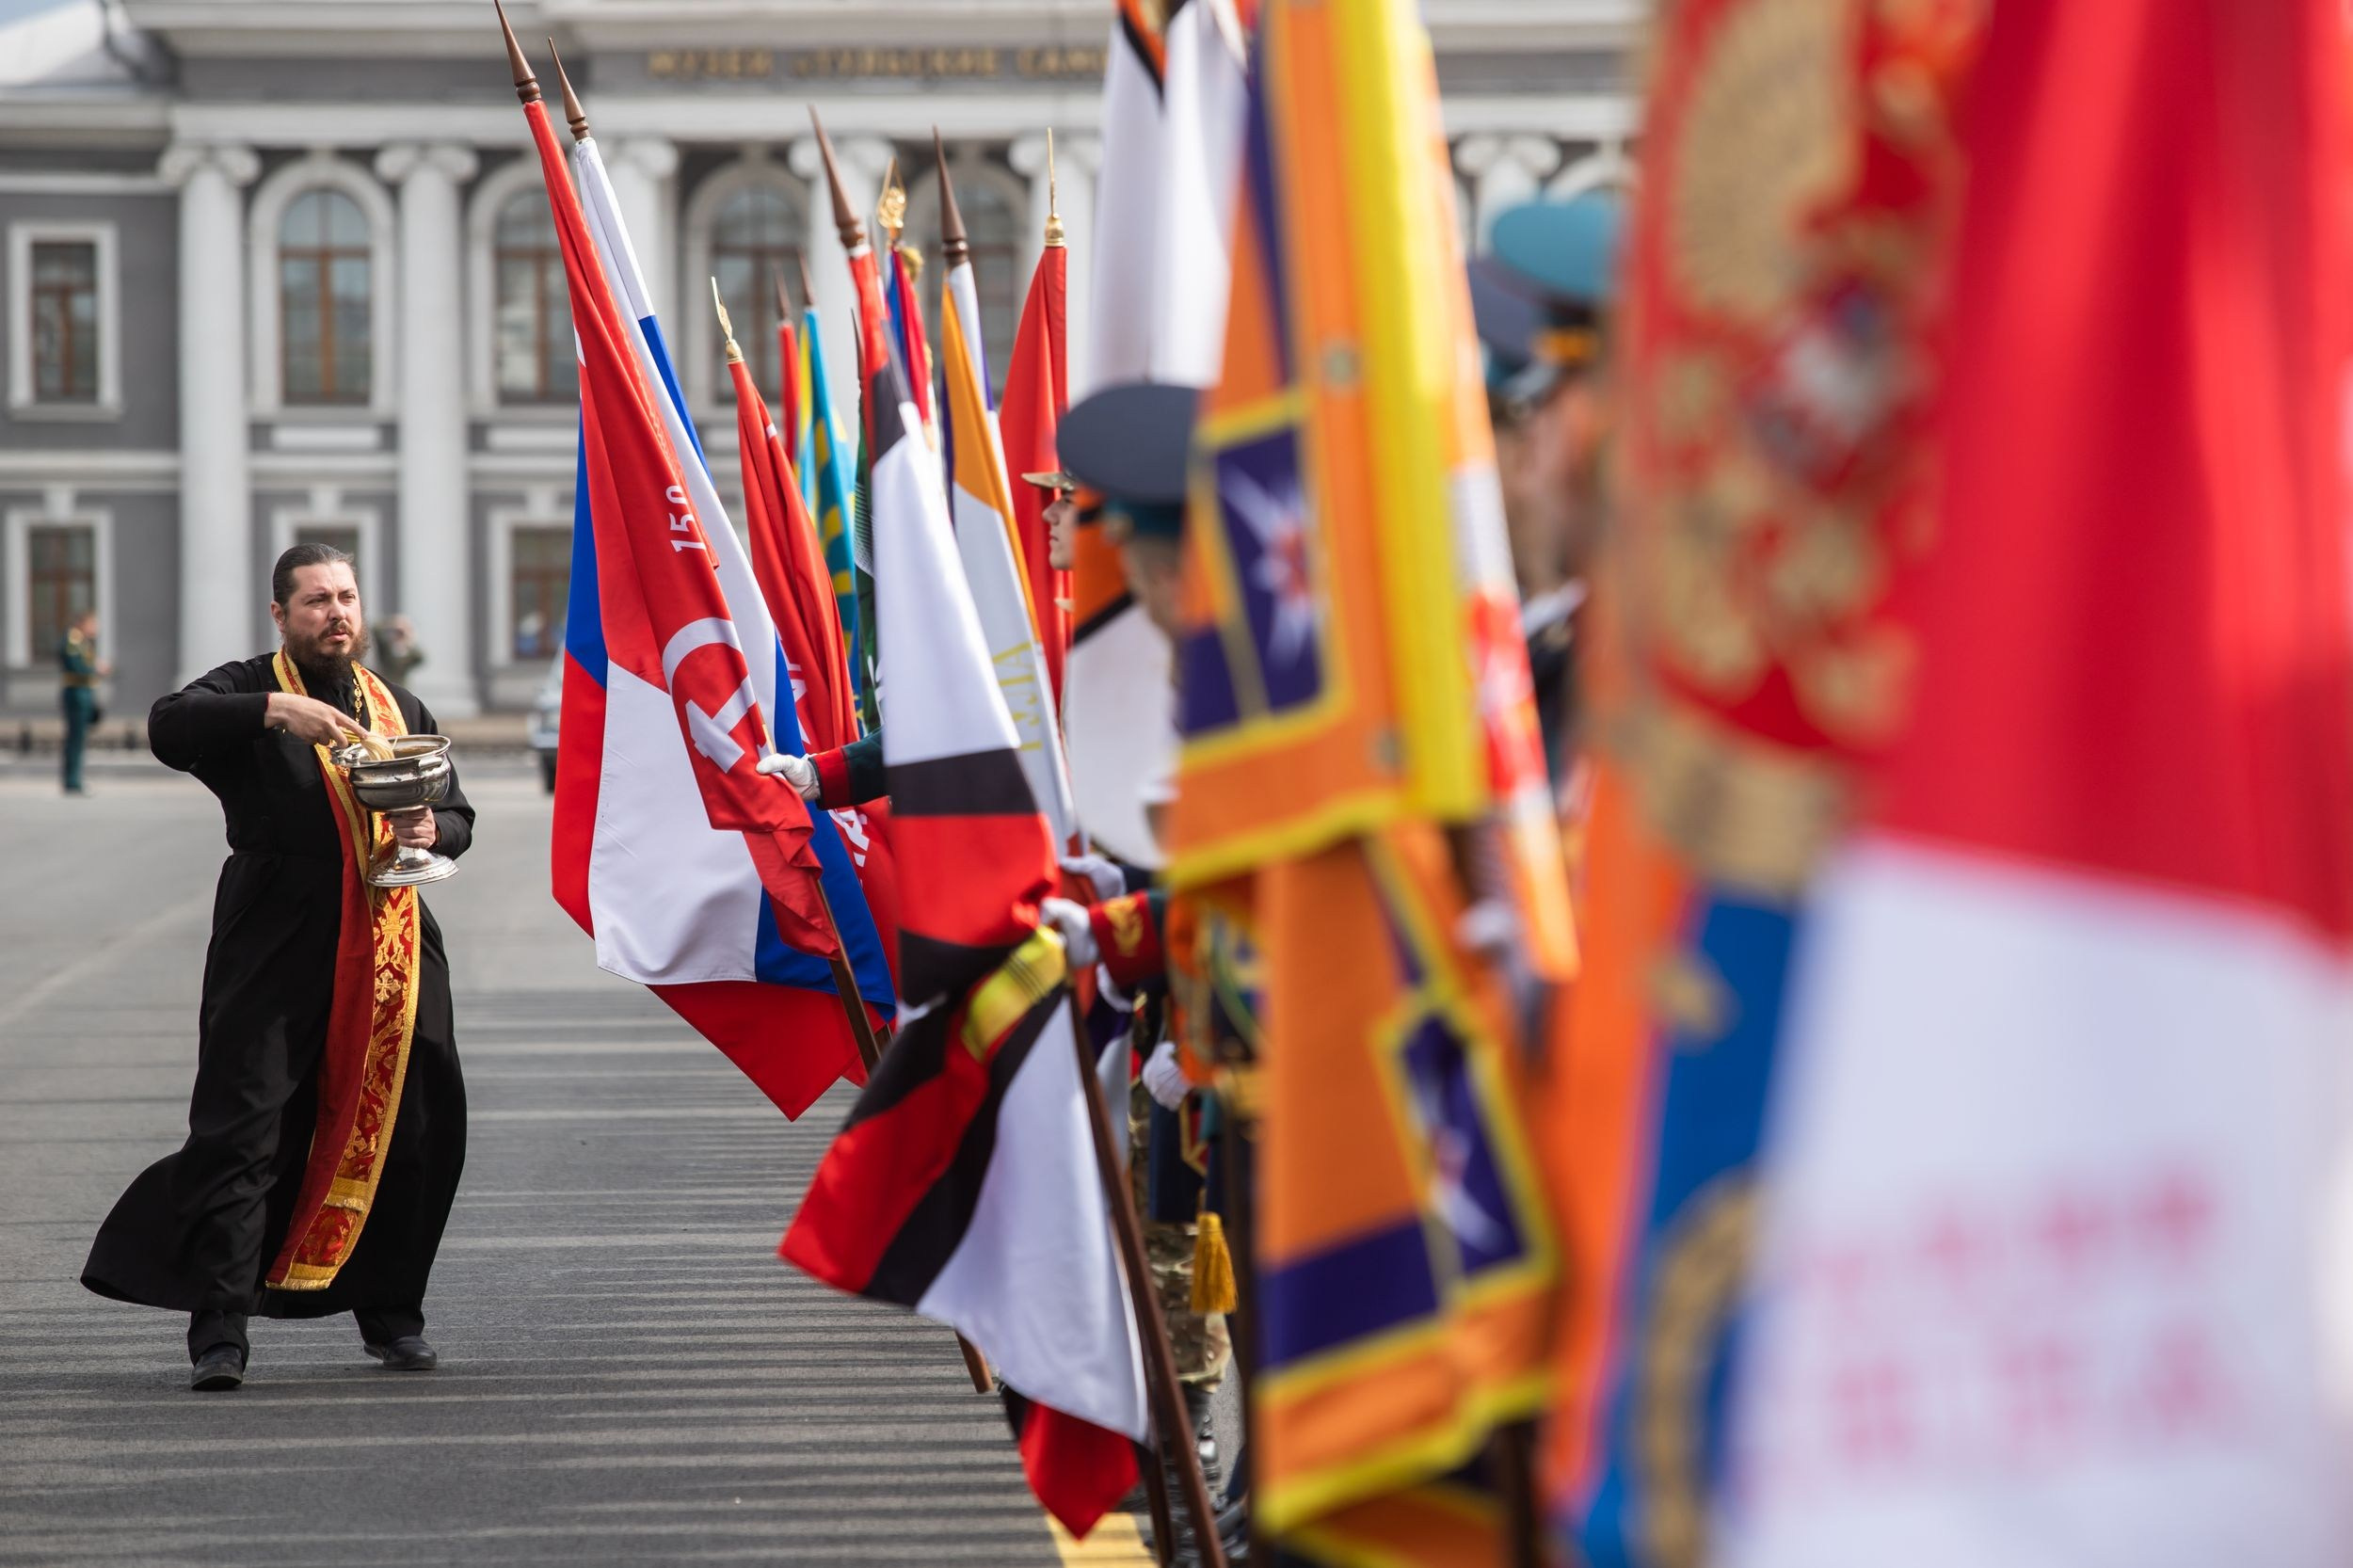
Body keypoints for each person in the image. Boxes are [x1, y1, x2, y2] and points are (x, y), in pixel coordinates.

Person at [83, 543, 474, 1392]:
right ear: (281, 617)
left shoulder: (395, 701)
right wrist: (272, 712)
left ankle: (393, 1316)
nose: (336, 615)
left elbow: (457, 812)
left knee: (411, 1130)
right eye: (316, 603)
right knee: (244, 1127)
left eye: (346, 598)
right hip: (277, 939)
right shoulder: (244, 689)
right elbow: (166, 724)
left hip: (393, 944)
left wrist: (430, 832)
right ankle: (220, 1331)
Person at [57, 608, 108, 795]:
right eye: (92, 623)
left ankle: (74, 778)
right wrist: (96, 668)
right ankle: (72, 780)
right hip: (76, 692)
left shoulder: (81, 642)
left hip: (83, 691)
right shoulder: (73, 641)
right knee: (76, 737)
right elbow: (76, 667)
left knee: (79, 737)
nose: (95, 628)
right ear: (82, 623)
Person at [376, 613, 426, 687]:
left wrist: (409, 637)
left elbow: (420, 658)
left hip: (402, 687)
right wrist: (391, 624)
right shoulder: (386, 647)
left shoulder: (408, 652)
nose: (398, 635)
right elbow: (376, 629)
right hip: (385, 686)